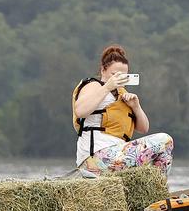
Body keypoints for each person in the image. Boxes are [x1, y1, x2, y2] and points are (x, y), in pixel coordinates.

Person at [72, 45, 174, 176]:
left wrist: (136, 107)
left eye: (124, 76)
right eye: (114, 75)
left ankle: (156, 191)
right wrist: (108, 87)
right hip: (95, 158)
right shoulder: (93, 85)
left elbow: (144, 128)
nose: (119, 79)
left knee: (164, 147)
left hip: (118, 154)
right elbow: (80, 111)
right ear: (103, 70)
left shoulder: (124, 96)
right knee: (165, 140)